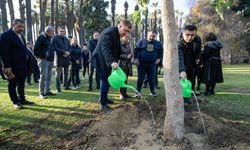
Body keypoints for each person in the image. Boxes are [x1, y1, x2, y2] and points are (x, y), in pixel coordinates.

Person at [95, 19, 132, 111]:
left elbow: (115, 49)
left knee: (106, 81)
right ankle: (103, 104)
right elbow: (106, 48)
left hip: (106, 61)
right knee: (105, 81)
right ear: (120, 26)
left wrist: (116, 61)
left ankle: (104, 98)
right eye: (125, 30)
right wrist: (112, 61)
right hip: (101, 60)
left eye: (128, 31)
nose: (126, 33)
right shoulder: (110, 32)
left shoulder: (116, 34)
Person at [0, 19, 34, 109]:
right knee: (12, 84)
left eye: (23, 26)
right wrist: (7, 66)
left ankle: (22, 99)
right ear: (13, 25)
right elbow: (4, 52)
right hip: (12, 66)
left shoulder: (21, 36)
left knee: (21, 83)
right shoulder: (5, 35)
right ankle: (15, 101)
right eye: (19, 26)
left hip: (22, 65)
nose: (22, 28)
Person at [134, 31, 163, 97]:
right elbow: (136, 49)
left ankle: (152, 92)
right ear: (147, 35)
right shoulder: (141, 41)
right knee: (140, 78)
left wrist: (159, 59)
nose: (151, 37)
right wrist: (135, 58)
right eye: (150, 36)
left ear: (155, 36)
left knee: (151, 78)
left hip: (152, 64)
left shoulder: (158, 43)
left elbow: (161, 51)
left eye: (153, 36)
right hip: (141, 63)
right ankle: (137, 92)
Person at [178, 25, 202, 107]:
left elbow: (198, 50)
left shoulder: (198, 39)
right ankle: (182, 101)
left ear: (195, 33)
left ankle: (187, 99)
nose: (190, 37)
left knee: (191, 81)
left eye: (192, 35)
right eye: (187, 35)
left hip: (192, 63)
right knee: (182, 82)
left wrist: (197, 58)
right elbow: (179, 57)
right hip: (180, 63)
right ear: (183, 33)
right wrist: (181, 70)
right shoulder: (178, 42)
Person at [34, 26, 56, 99]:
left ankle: (47, 91)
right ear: (48, 32)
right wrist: (42, 56)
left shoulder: (50, 38)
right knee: (43, 77)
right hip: (43, 60)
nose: (53, 33)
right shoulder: (41, 37)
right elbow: (36, 49)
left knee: (49, 76)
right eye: (52, 32)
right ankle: (41, 93)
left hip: (50, 60)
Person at [52, 26, 71, 94]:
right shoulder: (55, 38)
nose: (62, 32)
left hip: (66, 58)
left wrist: (68, 52)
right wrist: (64, 52)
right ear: (58, 31)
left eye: (63, 31)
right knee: (58, 75)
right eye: (61, 31)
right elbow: (55, 48)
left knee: (66, 73)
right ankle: (58, 89)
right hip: (59, 58)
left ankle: (66, 86)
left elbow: (69, 47)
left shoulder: (66, 39)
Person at [118, 35, 132, 101]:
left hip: (127, 65)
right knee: (121, 80)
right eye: (126, 37)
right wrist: (126, 56)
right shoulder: (119, 45)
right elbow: (118, 54)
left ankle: (125, 93)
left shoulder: (128, 45)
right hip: (121, 64)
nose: (127, 38)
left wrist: (131, 55)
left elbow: (130, 53)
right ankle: (121, 94)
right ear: (122, 37)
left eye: (127, 37)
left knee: (125, 79)